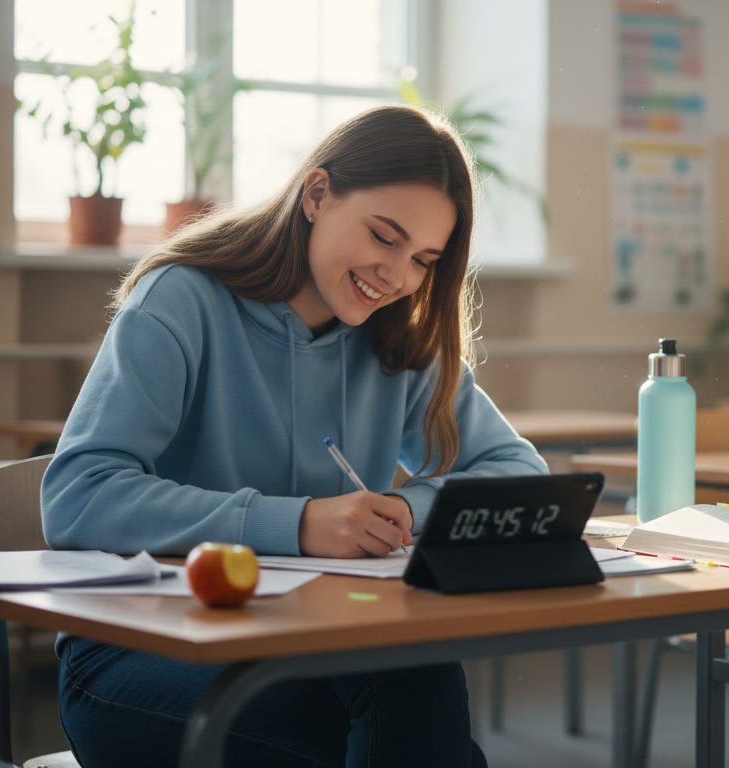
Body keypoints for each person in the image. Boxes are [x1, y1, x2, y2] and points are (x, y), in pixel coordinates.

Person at [40, 104, 547, 767]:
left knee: (417, 680)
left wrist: (405, 508)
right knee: (400, 738)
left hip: (307, 642)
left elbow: (519, 472)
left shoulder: (396, 336)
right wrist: (298, 525)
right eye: (384, 237)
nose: (398, 277)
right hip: (143, 646)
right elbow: (77, 497)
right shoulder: (181, 300)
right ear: (317, 194)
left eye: (424, 259)